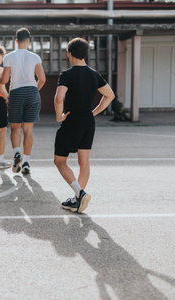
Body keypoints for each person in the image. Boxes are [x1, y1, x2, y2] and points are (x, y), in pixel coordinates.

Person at [53, 37, 115, 213]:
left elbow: (59, 98)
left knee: (59, 161)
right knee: (84, 162)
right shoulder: (94, 74)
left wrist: (59, 116)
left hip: (72, 120)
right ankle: (77, 199)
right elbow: (109, 95)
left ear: (70, 54)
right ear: (85, 54)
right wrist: (94, 112)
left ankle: (79, 193)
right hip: (88, 121)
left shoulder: (67, 74)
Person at [0, 27, 46, 175]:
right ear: (28, 40)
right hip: (32, 92)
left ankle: (17, 152)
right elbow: (42, 79)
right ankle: (27, 163)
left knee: (15, 128)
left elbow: (4, 80)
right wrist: (34, 89)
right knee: (28, 130)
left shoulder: (9, 57)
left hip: (16, 92)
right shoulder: (35, 57)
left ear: (16, 41)